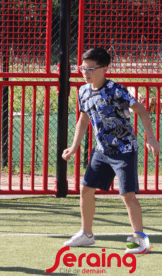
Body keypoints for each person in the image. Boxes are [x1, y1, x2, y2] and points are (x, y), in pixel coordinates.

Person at [62, 47, 160, 253]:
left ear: (104, 69)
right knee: (86, 189)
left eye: (90, 69)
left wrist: (150, 137)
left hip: (124, 149)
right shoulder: (83, 91)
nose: (85, 72)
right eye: (82, 68)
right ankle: (87, 234)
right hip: (101, 151)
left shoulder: (116, 90)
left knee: (128, 196)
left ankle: (140, 241)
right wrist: (73, 147)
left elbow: (141, 110)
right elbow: (83, 119)